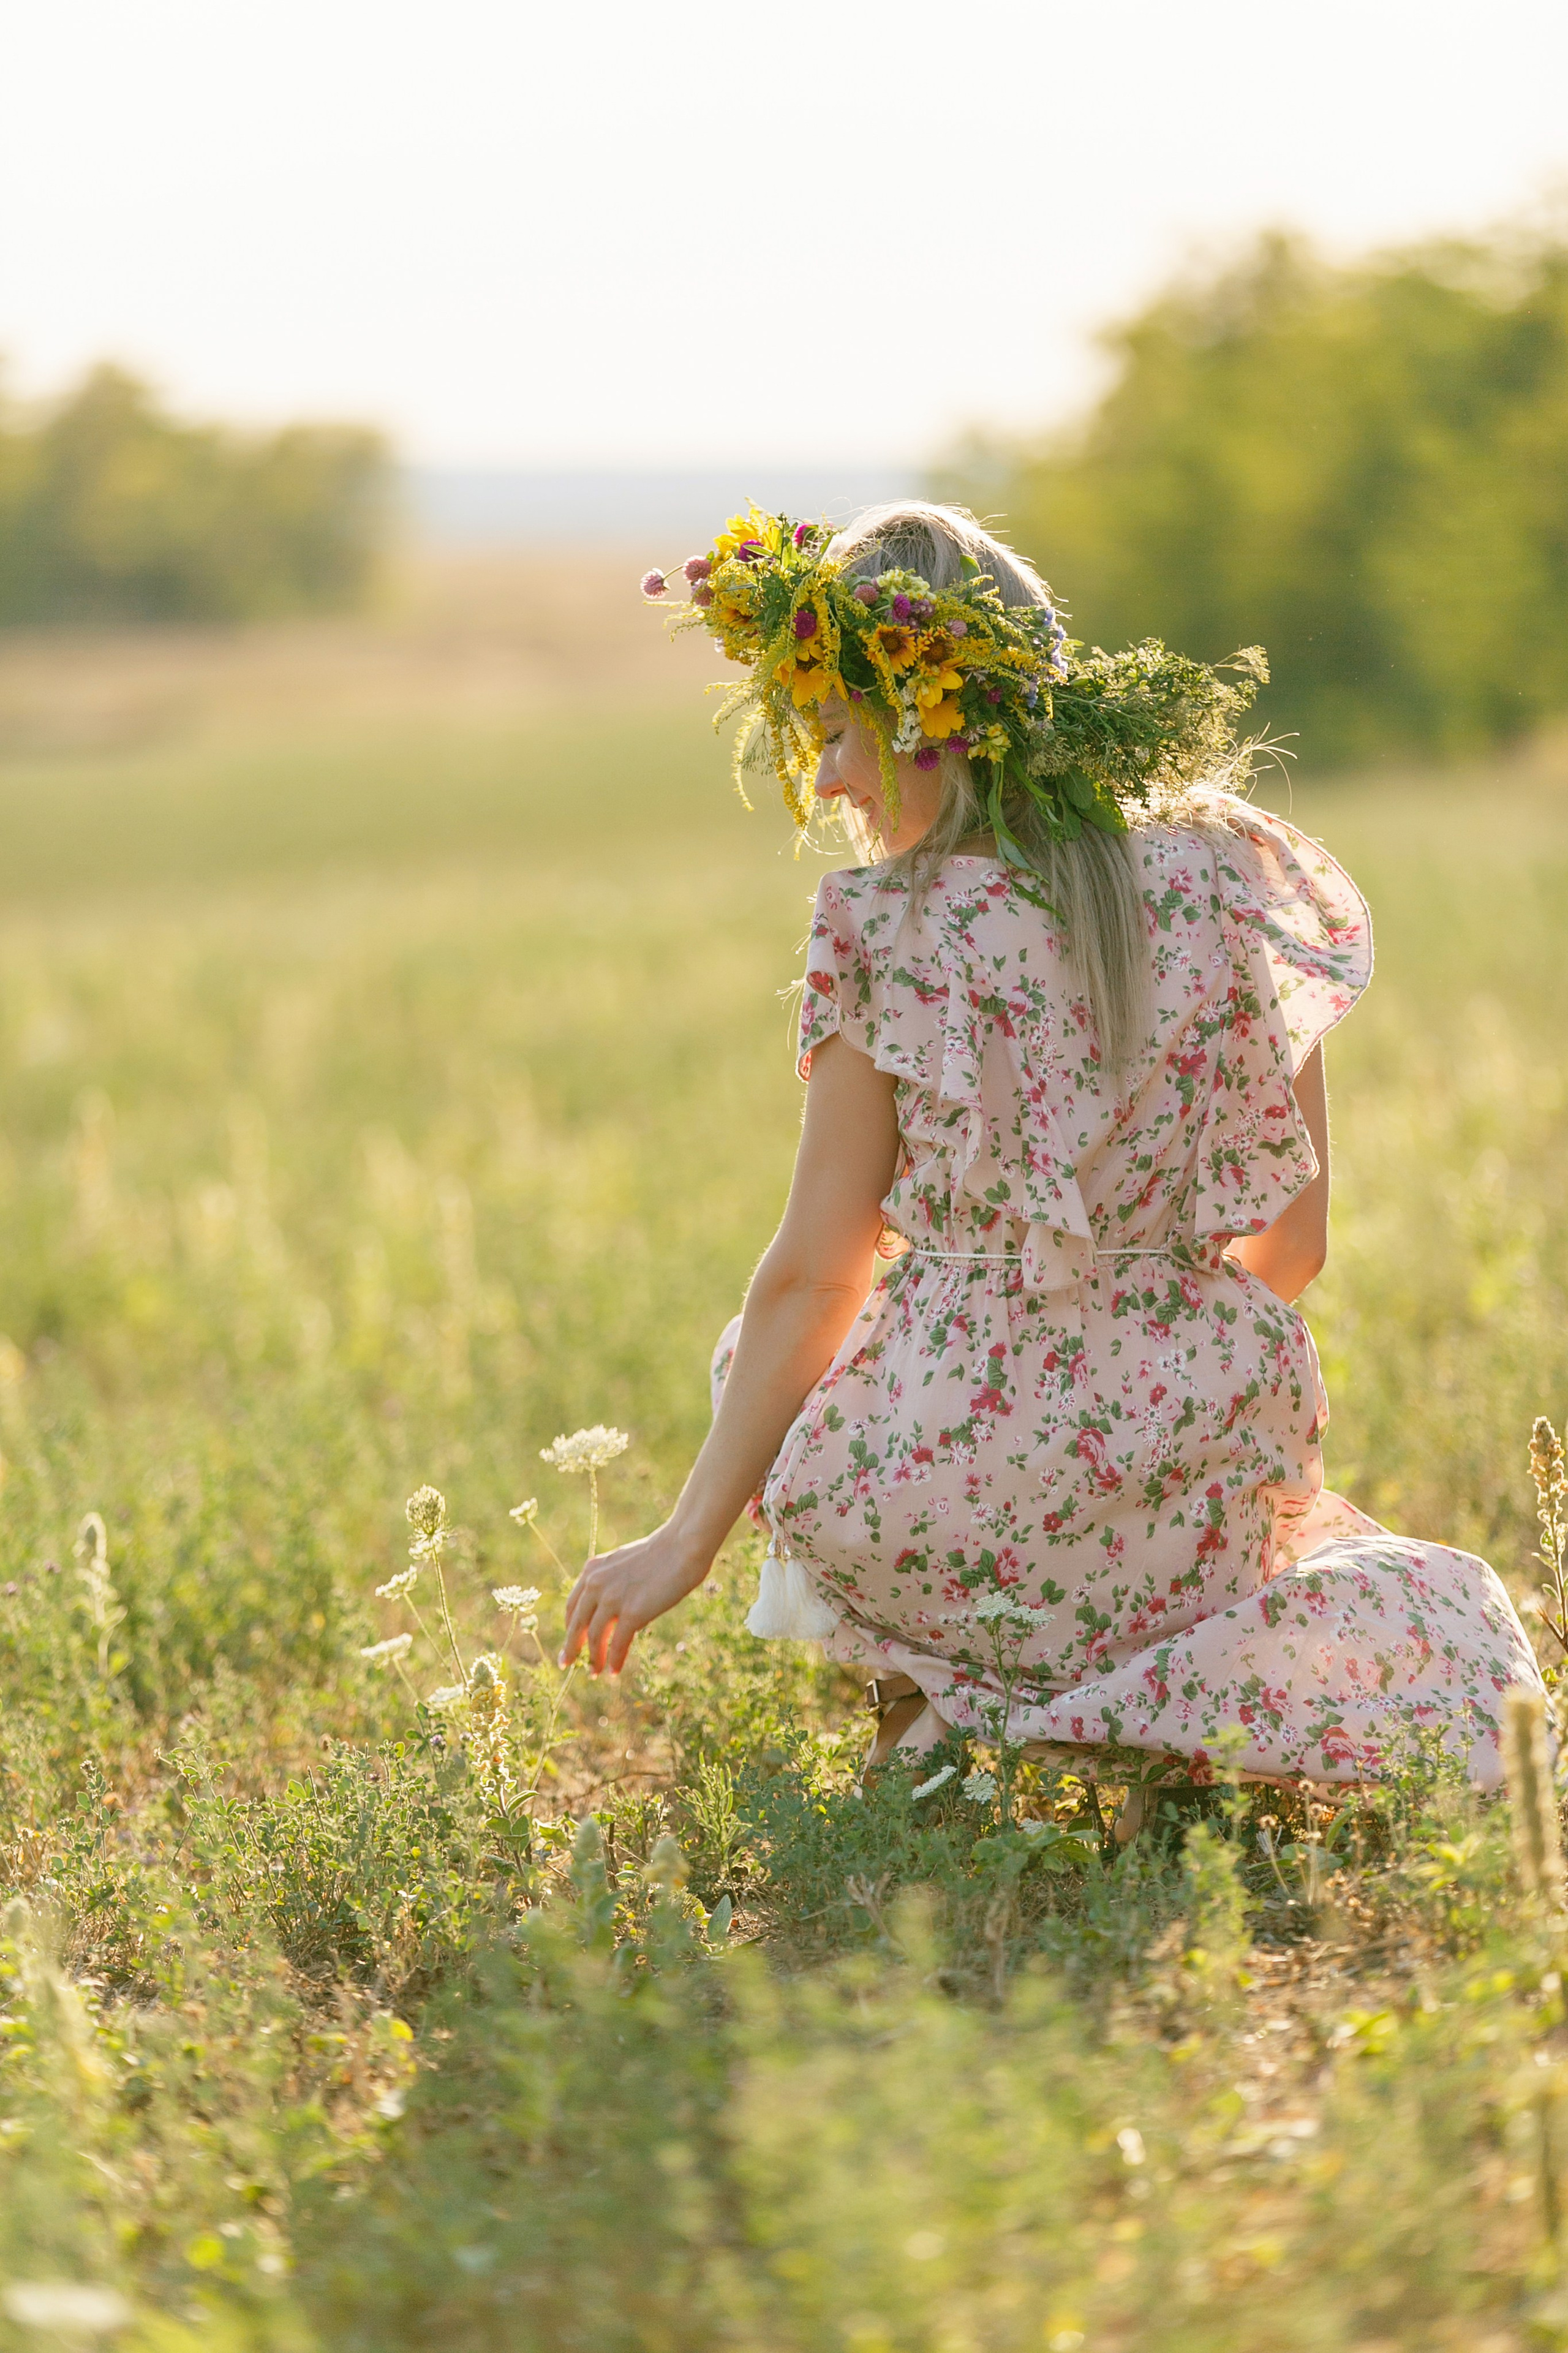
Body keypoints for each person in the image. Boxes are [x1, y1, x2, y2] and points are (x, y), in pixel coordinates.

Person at [562, 501, 1540, 1807]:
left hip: (939, 1495)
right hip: (1197, 1459)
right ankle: (1115, 1686)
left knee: (763, 1350)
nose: (830, 782)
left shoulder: (888, 924)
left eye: (838, 735)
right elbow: (1291, 1247)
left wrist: (682, 1539)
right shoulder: (1232, 876)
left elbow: (813, 1276)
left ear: (923, 718)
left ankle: (953, 1701)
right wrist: (1142, 1362)